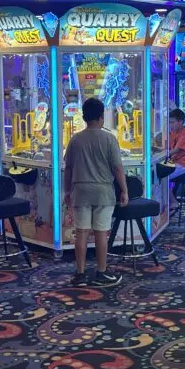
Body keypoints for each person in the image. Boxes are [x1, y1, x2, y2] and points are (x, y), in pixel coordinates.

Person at [64, 98, 126, 284]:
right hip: (103, 192)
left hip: (80, 191)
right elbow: (117, 168)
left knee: (81, 232)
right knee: (101, 233)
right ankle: (101, 272)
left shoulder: (75, 140)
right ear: (101, 117)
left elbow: (68, 168)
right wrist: (124, 190)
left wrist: (67, 191)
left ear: (84, 117)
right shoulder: (109, 139)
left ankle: (80, 273)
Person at [168, 108, 185, 175]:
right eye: (169, 122)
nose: (170, 125)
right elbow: (168, 147)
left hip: (183, 165)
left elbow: (175, 151)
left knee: (161, 174)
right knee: (156, 169)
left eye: (172, 122)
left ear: (180, 122)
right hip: (173, 162)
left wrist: (162, 155)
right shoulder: (174, 132)